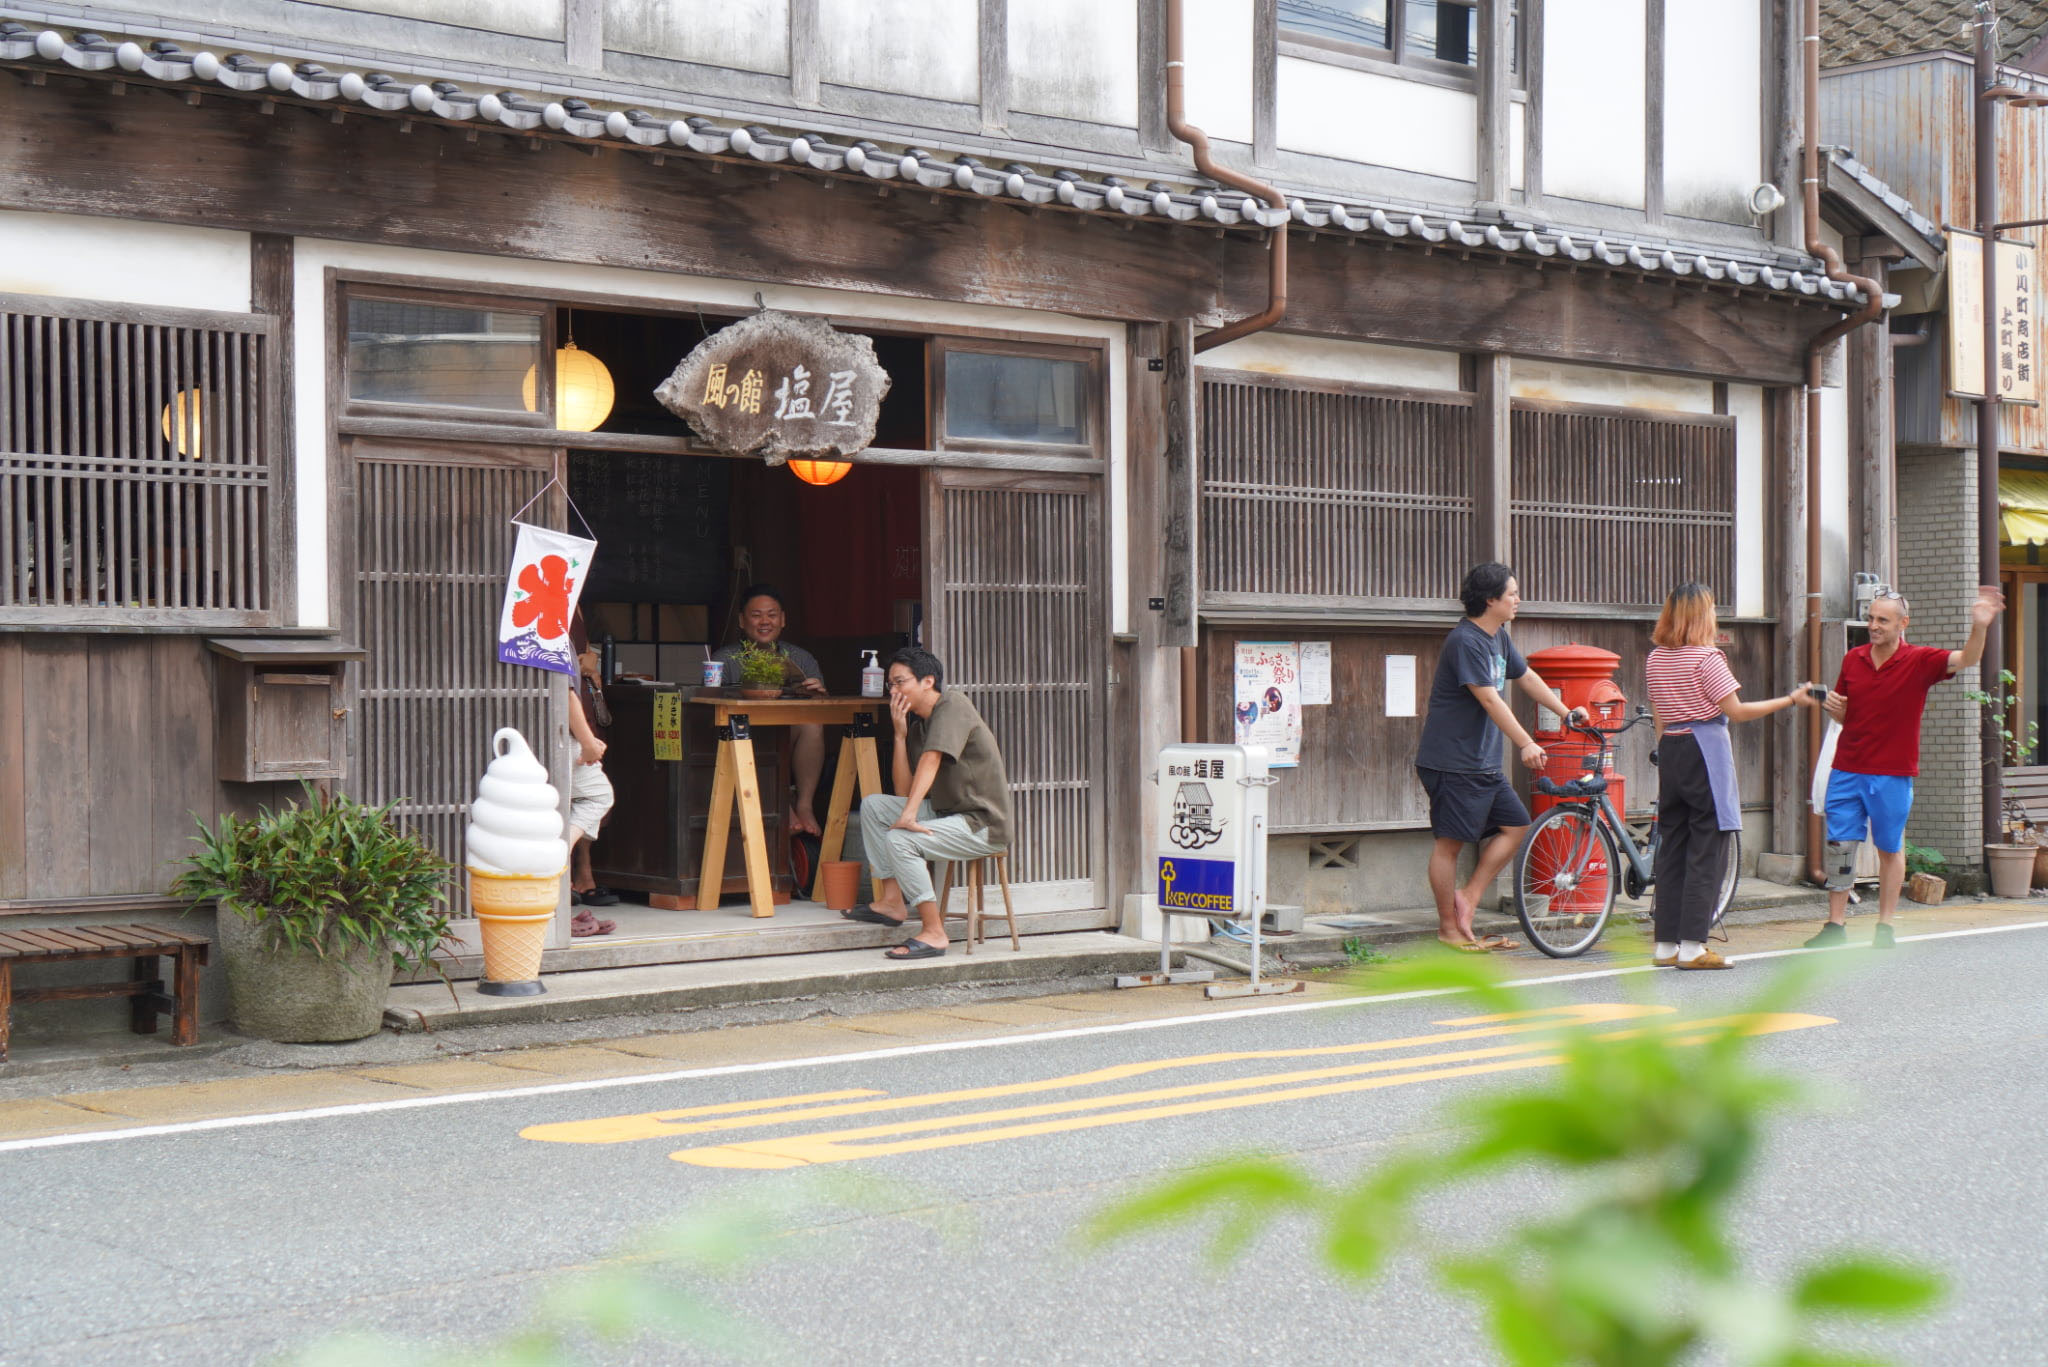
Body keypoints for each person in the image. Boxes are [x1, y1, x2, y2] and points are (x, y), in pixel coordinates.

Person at [1805, 586, 2003, 950]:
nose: (1873, 626)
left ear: (1902, 624)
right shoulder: (1853, 659)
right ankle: (1835, 925)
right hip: (1847, 767)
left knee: (1889, 848)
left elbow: (1968, 658)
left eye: (1882, 620)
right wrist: (1835, 709)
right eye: (1870, 619)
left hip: (1893, 772)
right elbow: (1848, 714)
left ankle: (1885, 926)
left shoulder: (1920, 660)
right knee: (1839, 846)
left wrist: (1980, 626)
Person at [1414, 563, 1587, 951]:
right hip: (1453, 760)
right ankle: (1447, 927)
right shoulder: (1465, 641)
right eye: (1512, 593)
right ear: (1490, 599)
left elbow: (1525, 677)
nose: (1518, 600)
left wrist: (1565, 711)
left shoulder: (1498, 637)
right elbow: (1489, 698)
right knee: (1450, 844)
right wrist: (1526, 742)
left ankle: (1469, 898)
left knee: (1517, 825)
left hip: (1482, 762)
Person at [1644, 583, 1816, 970]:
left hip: (1670, 746)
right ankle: (1692, 946)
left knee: (1673, 848)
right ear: (1703, 616)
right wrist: (1791, 699)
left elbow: (1659, 713)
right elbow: (1736, 712)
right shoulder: (1708, 659)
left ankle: (1666, 944)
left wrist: (1667, 753)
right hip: (1705, 748)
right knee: (1709, 846)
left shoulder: (1656, 658)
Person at [842, 647, 1011, 961]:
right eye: (890, 685)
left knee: (901, 838)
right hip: (948, 814)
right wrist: (900, 736)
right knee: (874, 806)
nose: (893, 691)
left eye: (899, 682)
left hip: (981, 823)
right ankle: (893, 902)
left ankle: (934, 932)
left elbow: (932, 760)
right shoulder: (920, 726)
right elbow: (906, 789)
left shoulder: (953, 704)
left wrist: (908, 817)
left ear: (927, 681)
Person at [713, 584, 829, 836]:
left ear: (783, 619)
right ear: (742, 621)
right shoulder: (725, 659)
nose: (764, 621)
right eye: (756, 615)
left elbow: (824, 708)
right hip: (743, 738)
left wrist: (816, 694)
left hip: (789, 736)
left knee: (812, 724)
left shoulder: (802, 658)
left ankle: (804, 804)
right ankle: (781, 803)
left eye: (772, 614)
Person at [565, 687, 615, 937]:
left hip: (522, 735)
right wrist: (588, 744)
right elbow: (564, 691)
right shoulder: (553, 645)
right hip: (556, 736)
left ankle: (555, 906)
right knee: (599, 794)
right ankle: (558, 854)